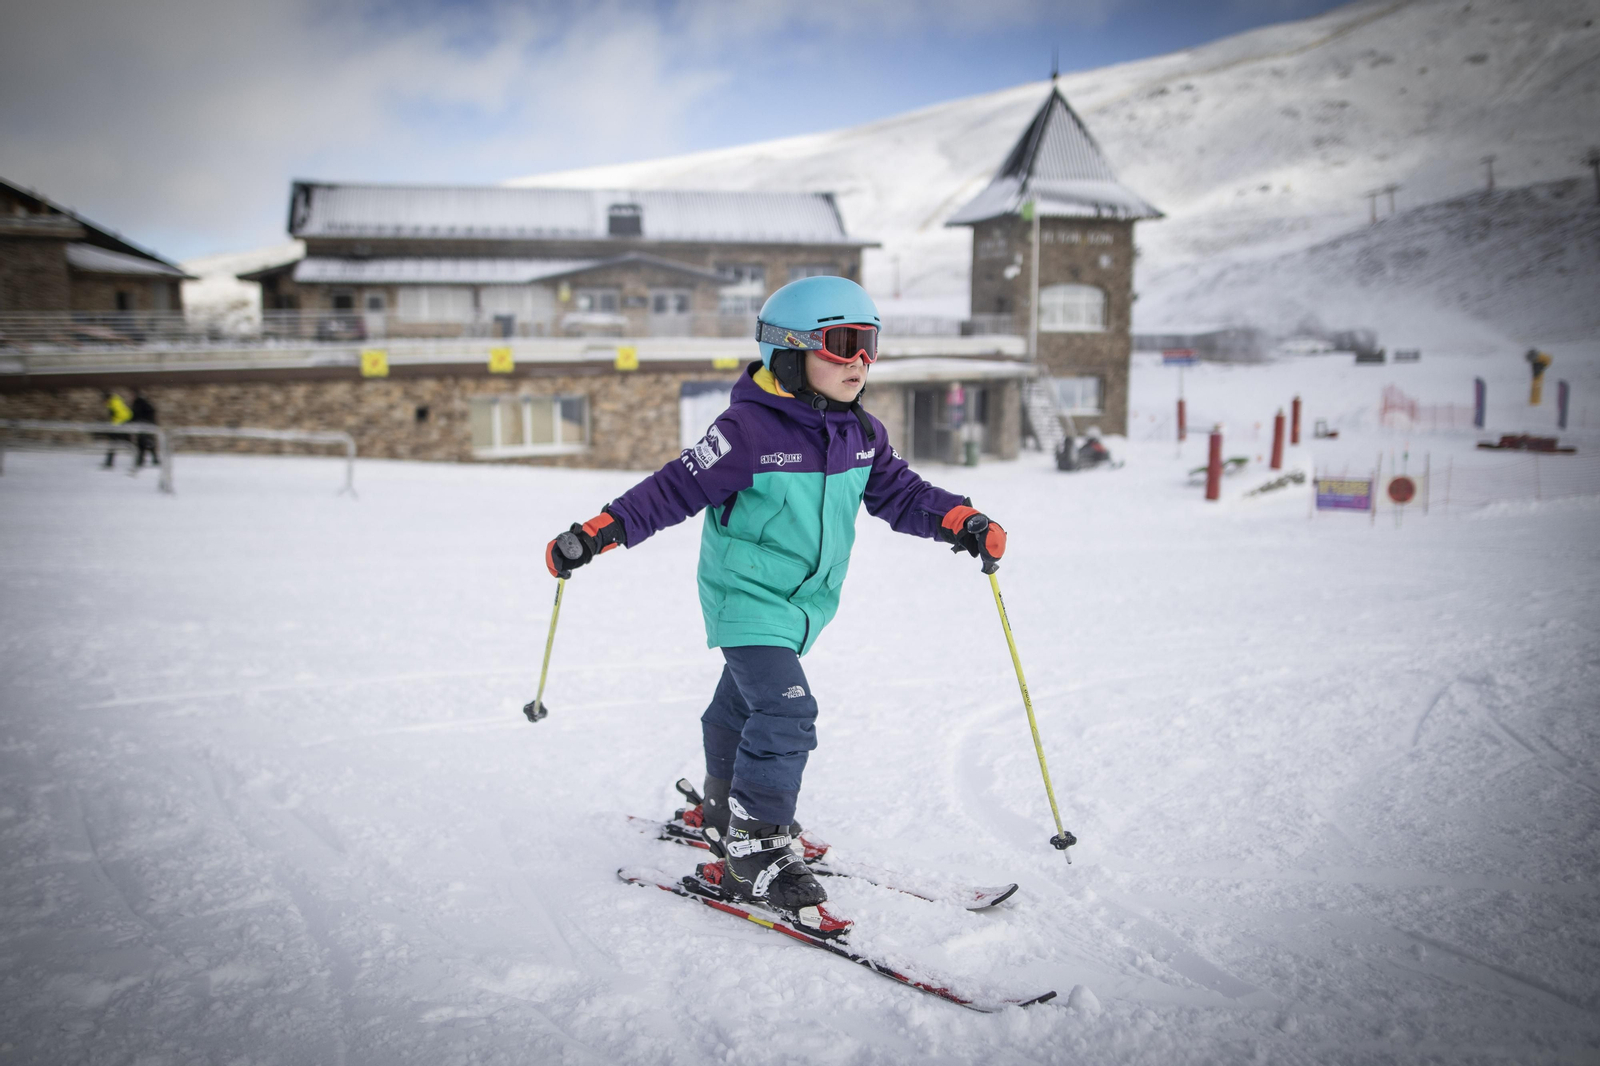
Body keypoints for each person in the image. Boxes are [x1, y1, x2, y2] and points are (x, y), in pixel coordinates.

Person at [544, 277, 1007, 930]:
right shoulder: (747, 432)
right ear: (789, 352)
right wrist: (597, 533)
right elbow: (671, 490)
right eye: (842, 344)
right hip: (745, 597)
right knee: (787, 711)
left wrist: (959, 518)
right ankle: (754, 851)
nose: (860, 361)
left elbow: (901, 494)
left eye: (870, 344)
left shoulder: (861, 433)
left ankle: (721, 809)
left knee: (739, 706)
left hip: (805, 604)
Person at [101, 390, 133, 468]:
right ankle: (109, 462)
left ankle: (109, 462)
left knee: (114, 443)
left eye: (104, 400)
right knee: (118, 443)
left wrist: (115, 424)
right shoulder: (115, 402)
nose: (103, 402)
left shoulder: (114, 403)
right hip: (120, 426)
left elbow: (122, 414)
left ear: (107, 399)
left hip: (118, 426)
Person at [130, 391, 159, 468]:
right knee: (149, 442)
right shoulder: (147, 404)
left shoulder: (138, 404)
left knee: (142, 443)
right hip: (148, 425)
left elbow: (134, 415)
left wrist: (133, 421)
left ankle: (141, 460)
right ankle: (154, 459)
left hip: (143, 426)